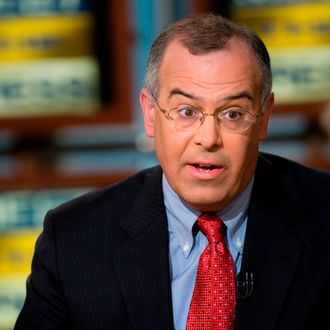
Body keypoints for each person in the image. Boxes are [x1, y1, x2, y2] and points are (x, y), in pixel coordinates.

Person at [14, 13, 330, 330]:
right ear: (150, 114)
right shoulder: (73, 241)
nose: (208, 138)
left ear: (263, 118)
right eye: (186, 112)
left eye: (233, 114)